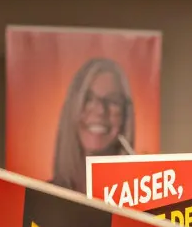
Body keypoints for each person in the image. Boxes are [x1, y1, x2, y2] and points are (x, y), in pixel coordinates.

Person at [51, 57, 135, 192]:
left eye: (113, 101)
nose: (101, 110)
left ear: (125, 116)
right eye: (88, 99)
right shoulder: (42, 197)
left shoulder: (144, 197)